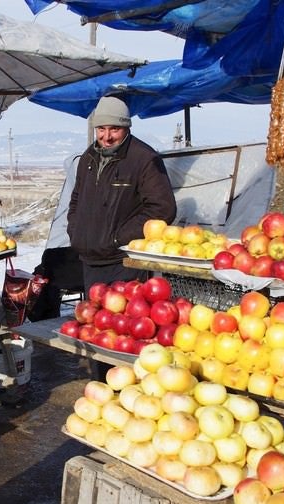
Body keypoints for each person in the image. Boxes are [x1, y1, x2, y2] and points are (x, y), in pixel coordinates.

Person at [67, 95, 177, 380]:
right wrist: (75, 229)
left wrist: (118, 237)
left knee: (126, 334)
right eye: (101, 129)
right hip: (90, 259)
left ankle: (131, 389)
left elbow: (162, 208)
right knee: (97, 330)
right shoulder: (88, 157)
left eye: (113, 129)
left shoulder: (143, 159)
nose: (106, 136)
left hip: (123, 263)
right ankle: (102, 386)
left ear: (126, 128)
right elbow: (77, 198)